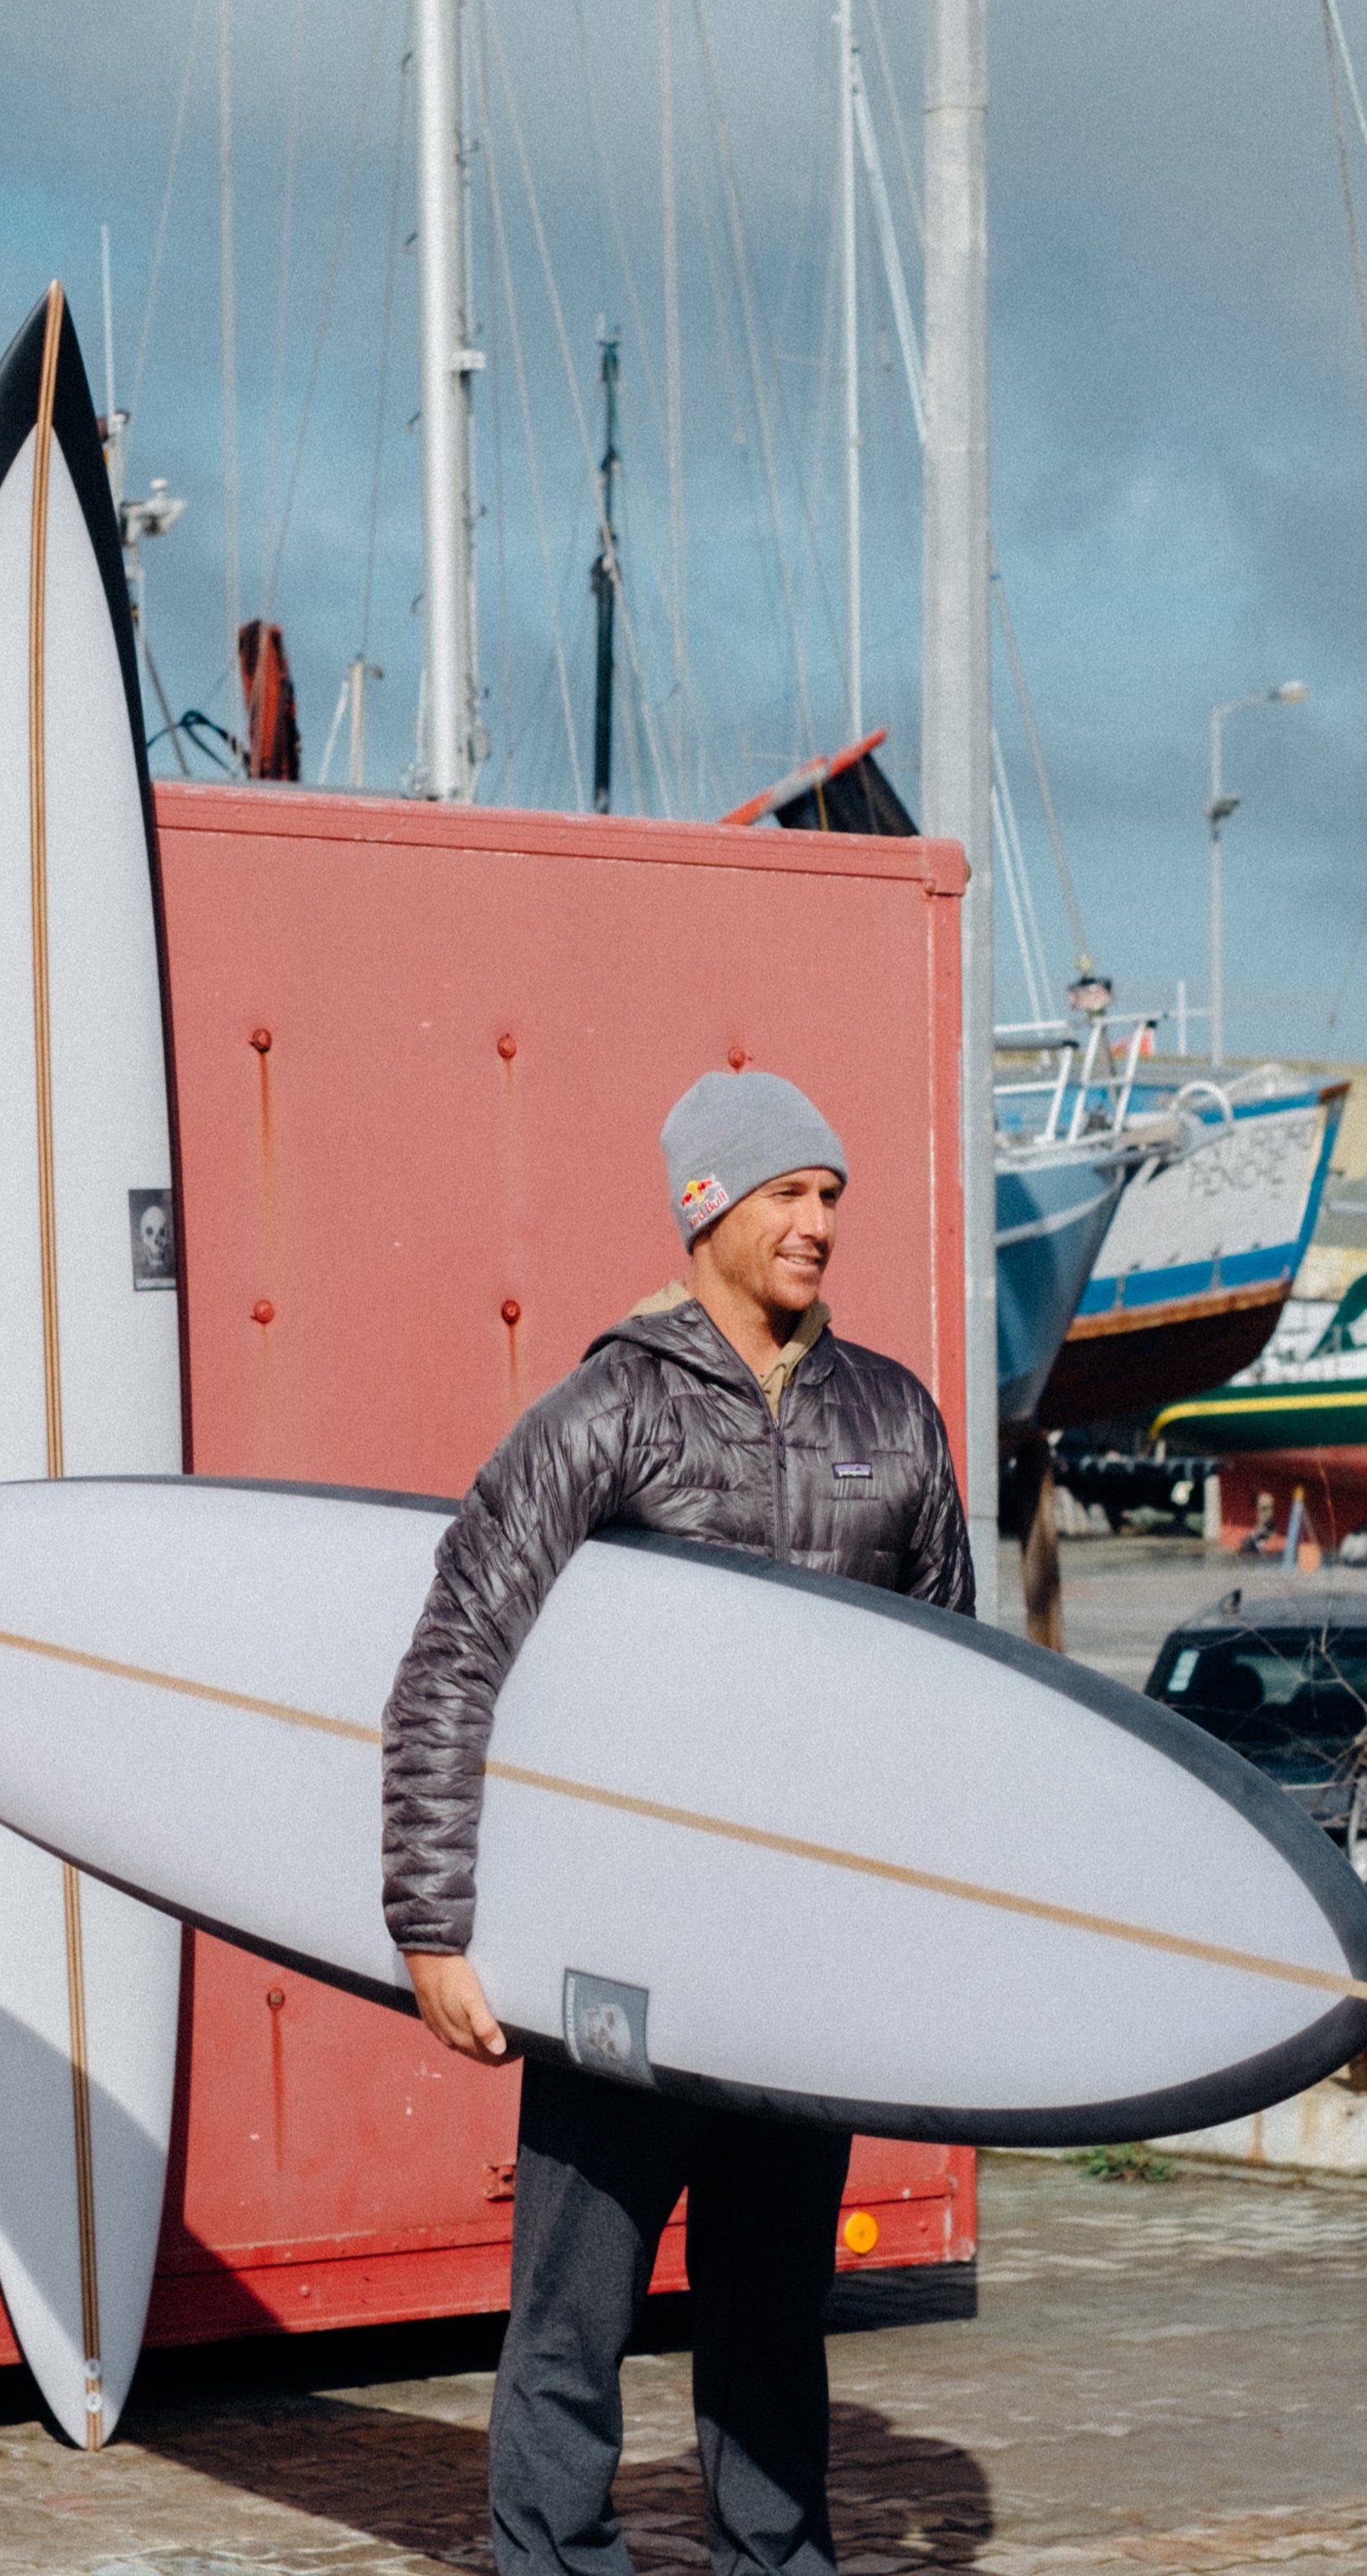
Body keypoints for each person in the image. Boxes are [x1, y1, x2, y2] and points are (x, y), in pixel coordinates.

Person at [381, 1066, 973, 2576]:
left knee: (773, 2317)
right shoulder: (612, 1409)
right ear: (706, 1205)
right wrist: (432, 1923)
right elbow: (456, 1655)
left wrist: (938, 1950)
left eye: (831, 1194)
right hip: (619, 1957)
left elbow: (964, 1714)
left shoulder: (894, 1421)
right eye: (786, 1191)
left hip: (795, 1971)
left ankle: (779, 2565)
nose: (818, 1221)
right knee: (573, 2321)